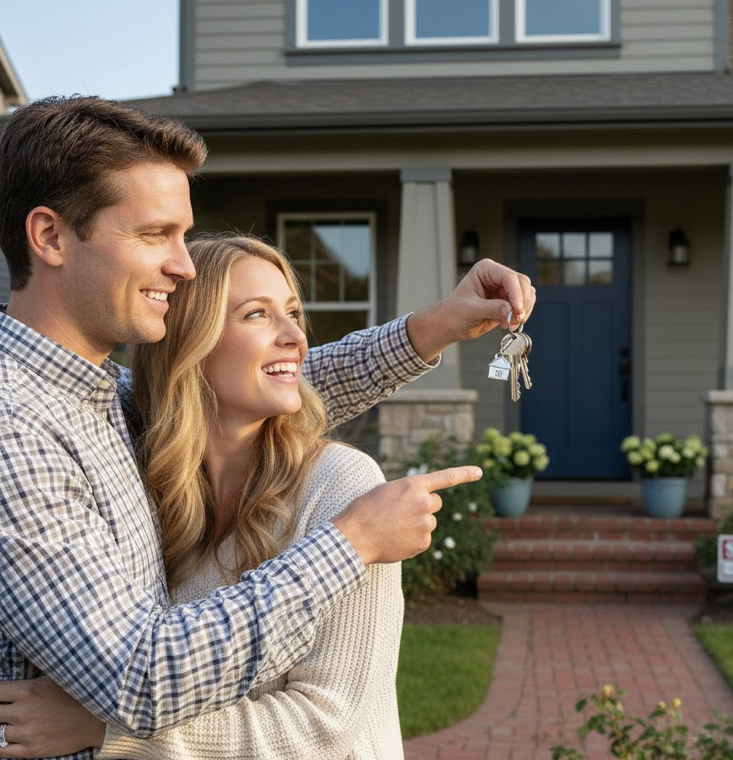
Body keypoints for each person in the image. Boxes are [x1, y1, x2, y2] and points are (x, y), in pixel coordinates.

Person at [0, 95, 534, 760]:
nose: (183, 264)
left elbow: (233, 395)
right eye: (153, 235)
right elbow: (139, 680)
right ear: (49, 236)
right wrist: (352, 544)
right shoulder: (17, 430)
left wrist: (431, 328)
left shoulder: (104, 400)